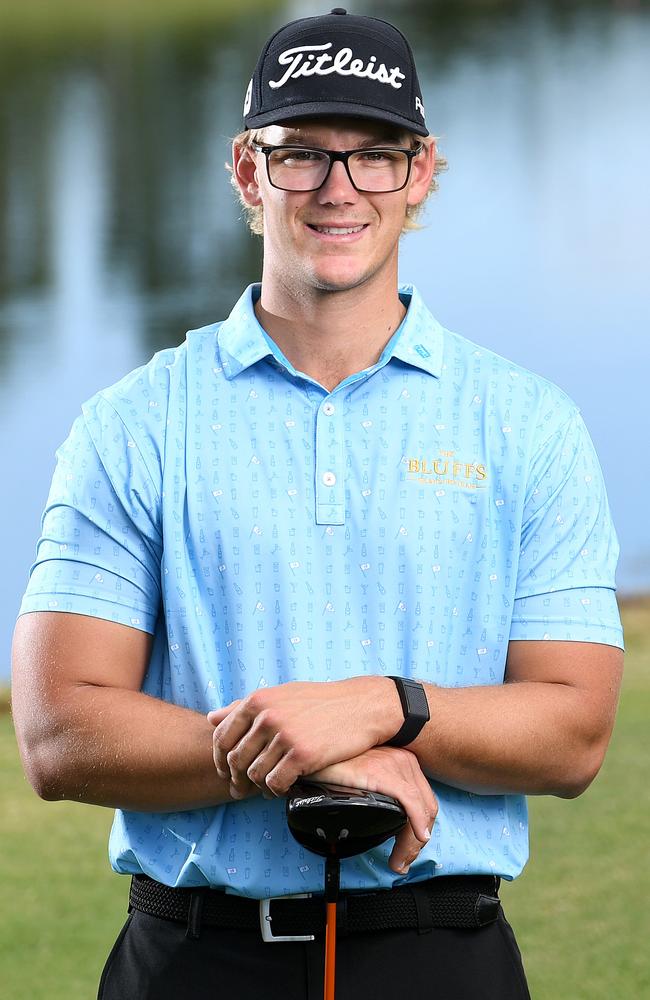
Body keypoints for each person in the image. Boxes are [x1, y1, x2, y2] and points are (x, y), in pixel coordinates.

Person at [11, 8, 624, 1000]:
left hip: (440, 956)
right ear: (248, 173)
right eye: (300, 153)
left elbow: (572, 732)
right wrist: (300, 762)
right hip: (194, 959)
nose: (337, 189)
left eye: (372, 155)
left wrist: (386, 705)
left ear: (420, 173)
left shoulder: (524, 423)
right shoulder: (132, 423)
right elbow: (56, 730)